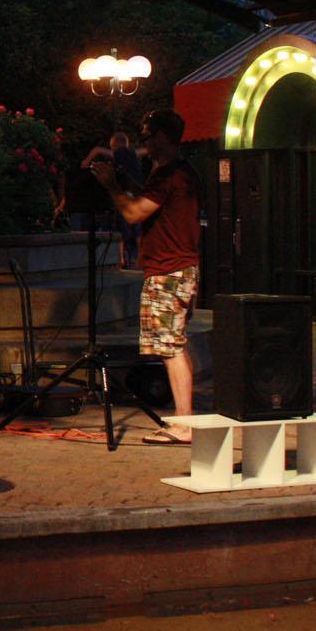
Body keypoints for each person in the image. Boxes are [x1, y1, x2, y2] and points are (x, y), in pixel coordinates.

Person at [91, 109, 205, 444]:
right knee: (173, 344)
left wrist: (112, 186)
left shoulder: (169, 175)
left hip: (169, 269)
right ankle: (184, 420)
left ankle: (184, 424)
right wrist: (129, 183)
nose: (145, 142)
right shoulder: (184, 173)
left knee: (170, 347)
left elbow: (134, 212)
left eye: (150, 135)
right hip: (178, 266)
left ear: (165, 137)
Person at [83, 131, 144, 268]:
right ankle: (140, 258)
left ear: (115, 145)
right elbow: (145, 150)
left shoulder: (120, 152)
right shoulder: (133, 154)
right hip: (137, 194)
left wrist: (86, 162)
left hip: (123, 195)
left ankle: (121, 259)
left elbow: (98, 149)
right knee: (138, 230)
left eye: (111, 147)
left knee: (120, 229)